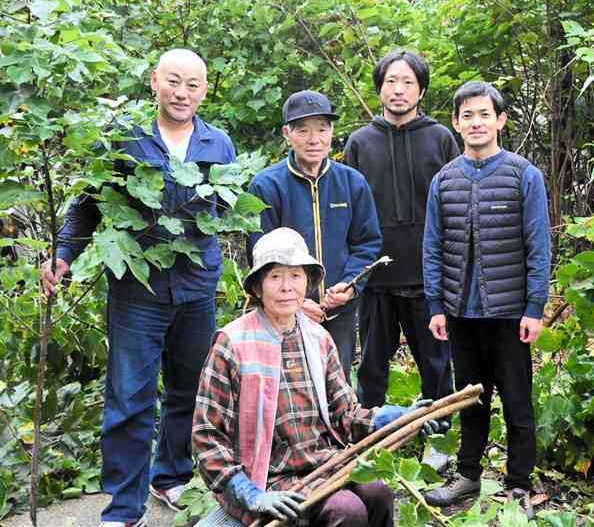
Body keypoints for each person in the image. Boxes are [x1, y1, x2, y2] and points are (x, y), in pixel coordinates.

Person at [40, 49, 236, 527]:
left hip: (196, 288)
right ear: (154, 82)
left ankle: (170, 477)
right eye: (173, 81)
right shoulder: (125, 141)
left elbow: (233, 210)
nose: (182, 92)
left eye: (192, 84)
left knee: (191, 390)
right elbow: (87, 207)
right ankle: (125, 509)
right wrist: (63, 255)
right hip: (136, 292)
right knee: (130, 397)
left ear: (204, 90)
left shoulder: (219, 144)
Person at [193, 227, 442, 527]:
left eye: (295, 276)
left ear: (308, 283)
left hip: (323, 463)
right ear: (257, 287)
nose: (287, 287)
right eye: (275, 277)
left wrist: (400, 418)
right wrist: (246, 491)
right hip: (267, 477)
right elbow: (206, 436)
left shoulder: (317, 339)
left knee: (378, 492)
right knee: (345, 511)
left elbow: (345, 416)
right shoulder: (232, 343)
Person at [421, 82, 551, 517]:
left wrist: (535, 307)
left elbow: (538, 245)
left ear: (500, 120)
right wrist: (436, 305)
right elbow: (433, 247)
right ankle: (468, 476)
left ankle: (518, 485)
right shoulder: (445, 179)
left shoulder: (522, 175)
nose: (476, 123)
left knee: (517, 400)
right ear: (456, 123)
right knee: (470, 400)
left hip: (510, 313)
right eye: (467, 116)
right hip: (461, 312)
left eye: (484, 115)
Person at [344, 49, 459, 473]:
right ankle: (369, 439)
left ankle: (439, 438)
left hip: (429, 276)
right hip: (375, 275)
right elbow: (351, 210)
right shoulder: (360, 142)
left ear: (421, 89)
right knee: (372, 364)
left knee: (436, 363)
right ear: (379, 88)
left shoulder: (440, 138)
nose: (398, 89)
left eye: (407, 82)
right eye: (391, 81)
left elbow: (454, 204)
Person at [247, 90, 382, 382]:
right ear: (287, 133)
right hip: (284, 311)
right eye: (303, 130)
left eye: (322, 129)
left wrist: (350, 285)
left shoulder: (351, 182)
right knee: (289, 388)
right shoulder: (266, 185)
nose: (314, 139)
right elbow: (260, 254)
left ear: (331, 132)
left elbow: (367, 242)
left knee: (338, 385)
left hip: (339, 312)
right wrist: (295, 300)